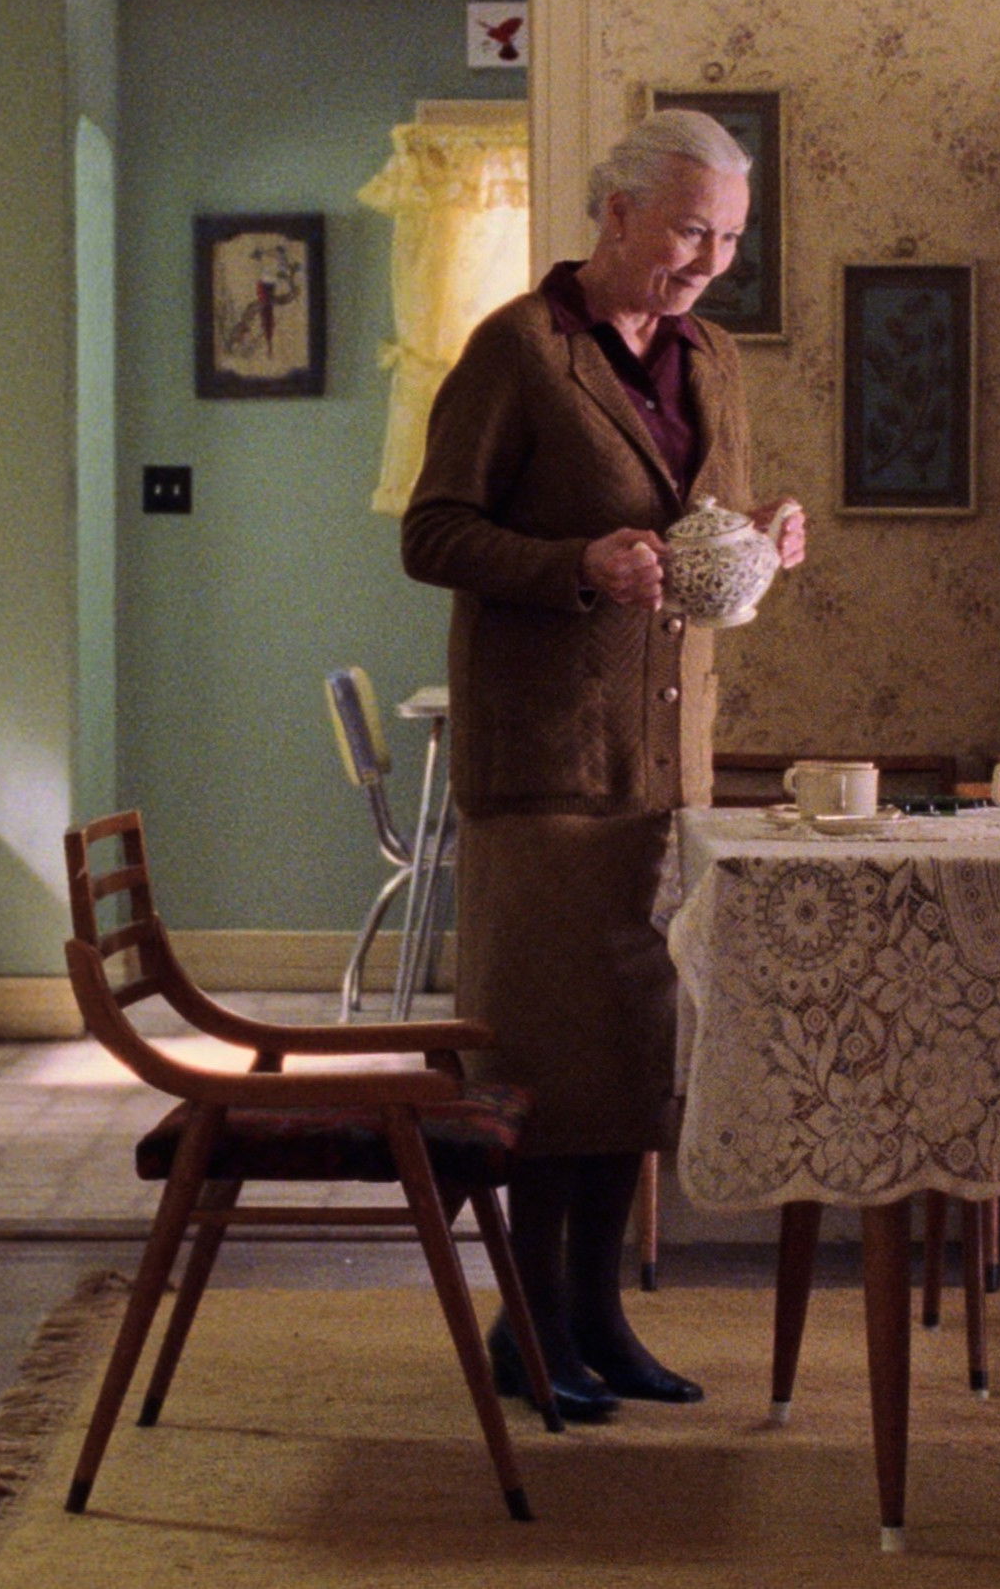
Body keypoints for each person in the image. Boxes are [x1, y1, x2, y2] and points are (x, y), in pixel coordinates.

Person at [401, 109, 806, 1424]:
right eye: (690, 231)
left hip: (662, 764)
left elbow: (700, 522)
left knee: (627, 1066)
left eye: (728, 239)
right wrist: (572, 565)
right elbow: (432, 533)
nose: (708, 262)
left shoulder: (712, 357)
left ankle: (595, 1315)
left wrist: (764, 532)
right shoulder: (519, 351)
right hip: (544, 767)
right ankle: (526, 1325)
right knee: (544, 1069)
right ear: (616, 211)